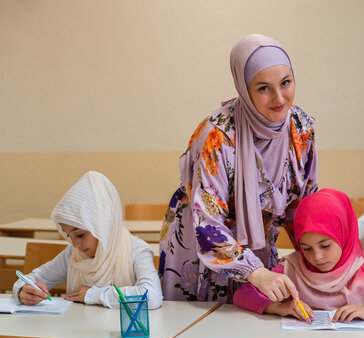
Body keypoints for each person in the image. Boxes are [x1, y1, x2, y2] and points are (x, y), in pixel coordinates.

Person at [159, 34, 318, 304]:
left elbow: (303, 205)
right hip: (202, 250)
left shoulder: (300, 128)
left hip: (260, 247)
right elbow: (207, 222)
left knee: (255, 327)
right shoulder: (218, 135)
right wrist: (254, 271)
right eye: (264, 88)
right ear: (244, 88)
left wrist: (319, 258)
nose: (279, 98)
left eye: (286, 83)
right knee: (203, 334)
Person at [233, 189, 364, 322]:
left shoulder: (362, 273)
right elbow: (243, 294)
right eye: (306, 248)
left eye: (325, 245)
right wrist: (280, 308)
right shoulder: (292, 267)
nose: (317, 257)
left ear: (343, 236)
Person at [14, 171, 163, 309]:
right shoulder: (73, 255)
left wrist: (94, 295)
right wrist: (22, 291)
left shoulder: (136, 250)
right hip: (79, 332)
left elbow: (151, 296)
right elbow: (30, 279)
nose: (75, 244)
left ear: (102, 225)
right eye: (68, 236)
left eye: (80, 235)